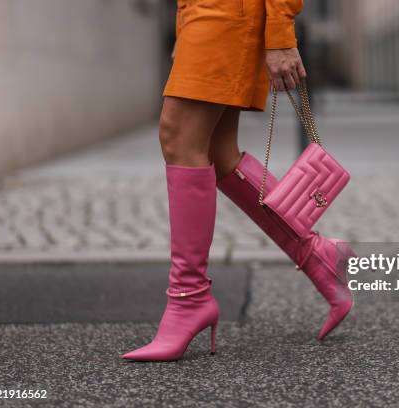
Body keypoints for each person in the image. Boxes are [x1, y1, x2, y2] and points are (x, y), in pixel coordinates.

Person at [122, 0, 353, 362]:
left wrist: (280, 35)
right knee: (218, 153)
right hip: (206, 13)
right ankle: (316, 254)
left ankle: (189, 297)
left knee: (178, 137)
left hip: (227, 13)